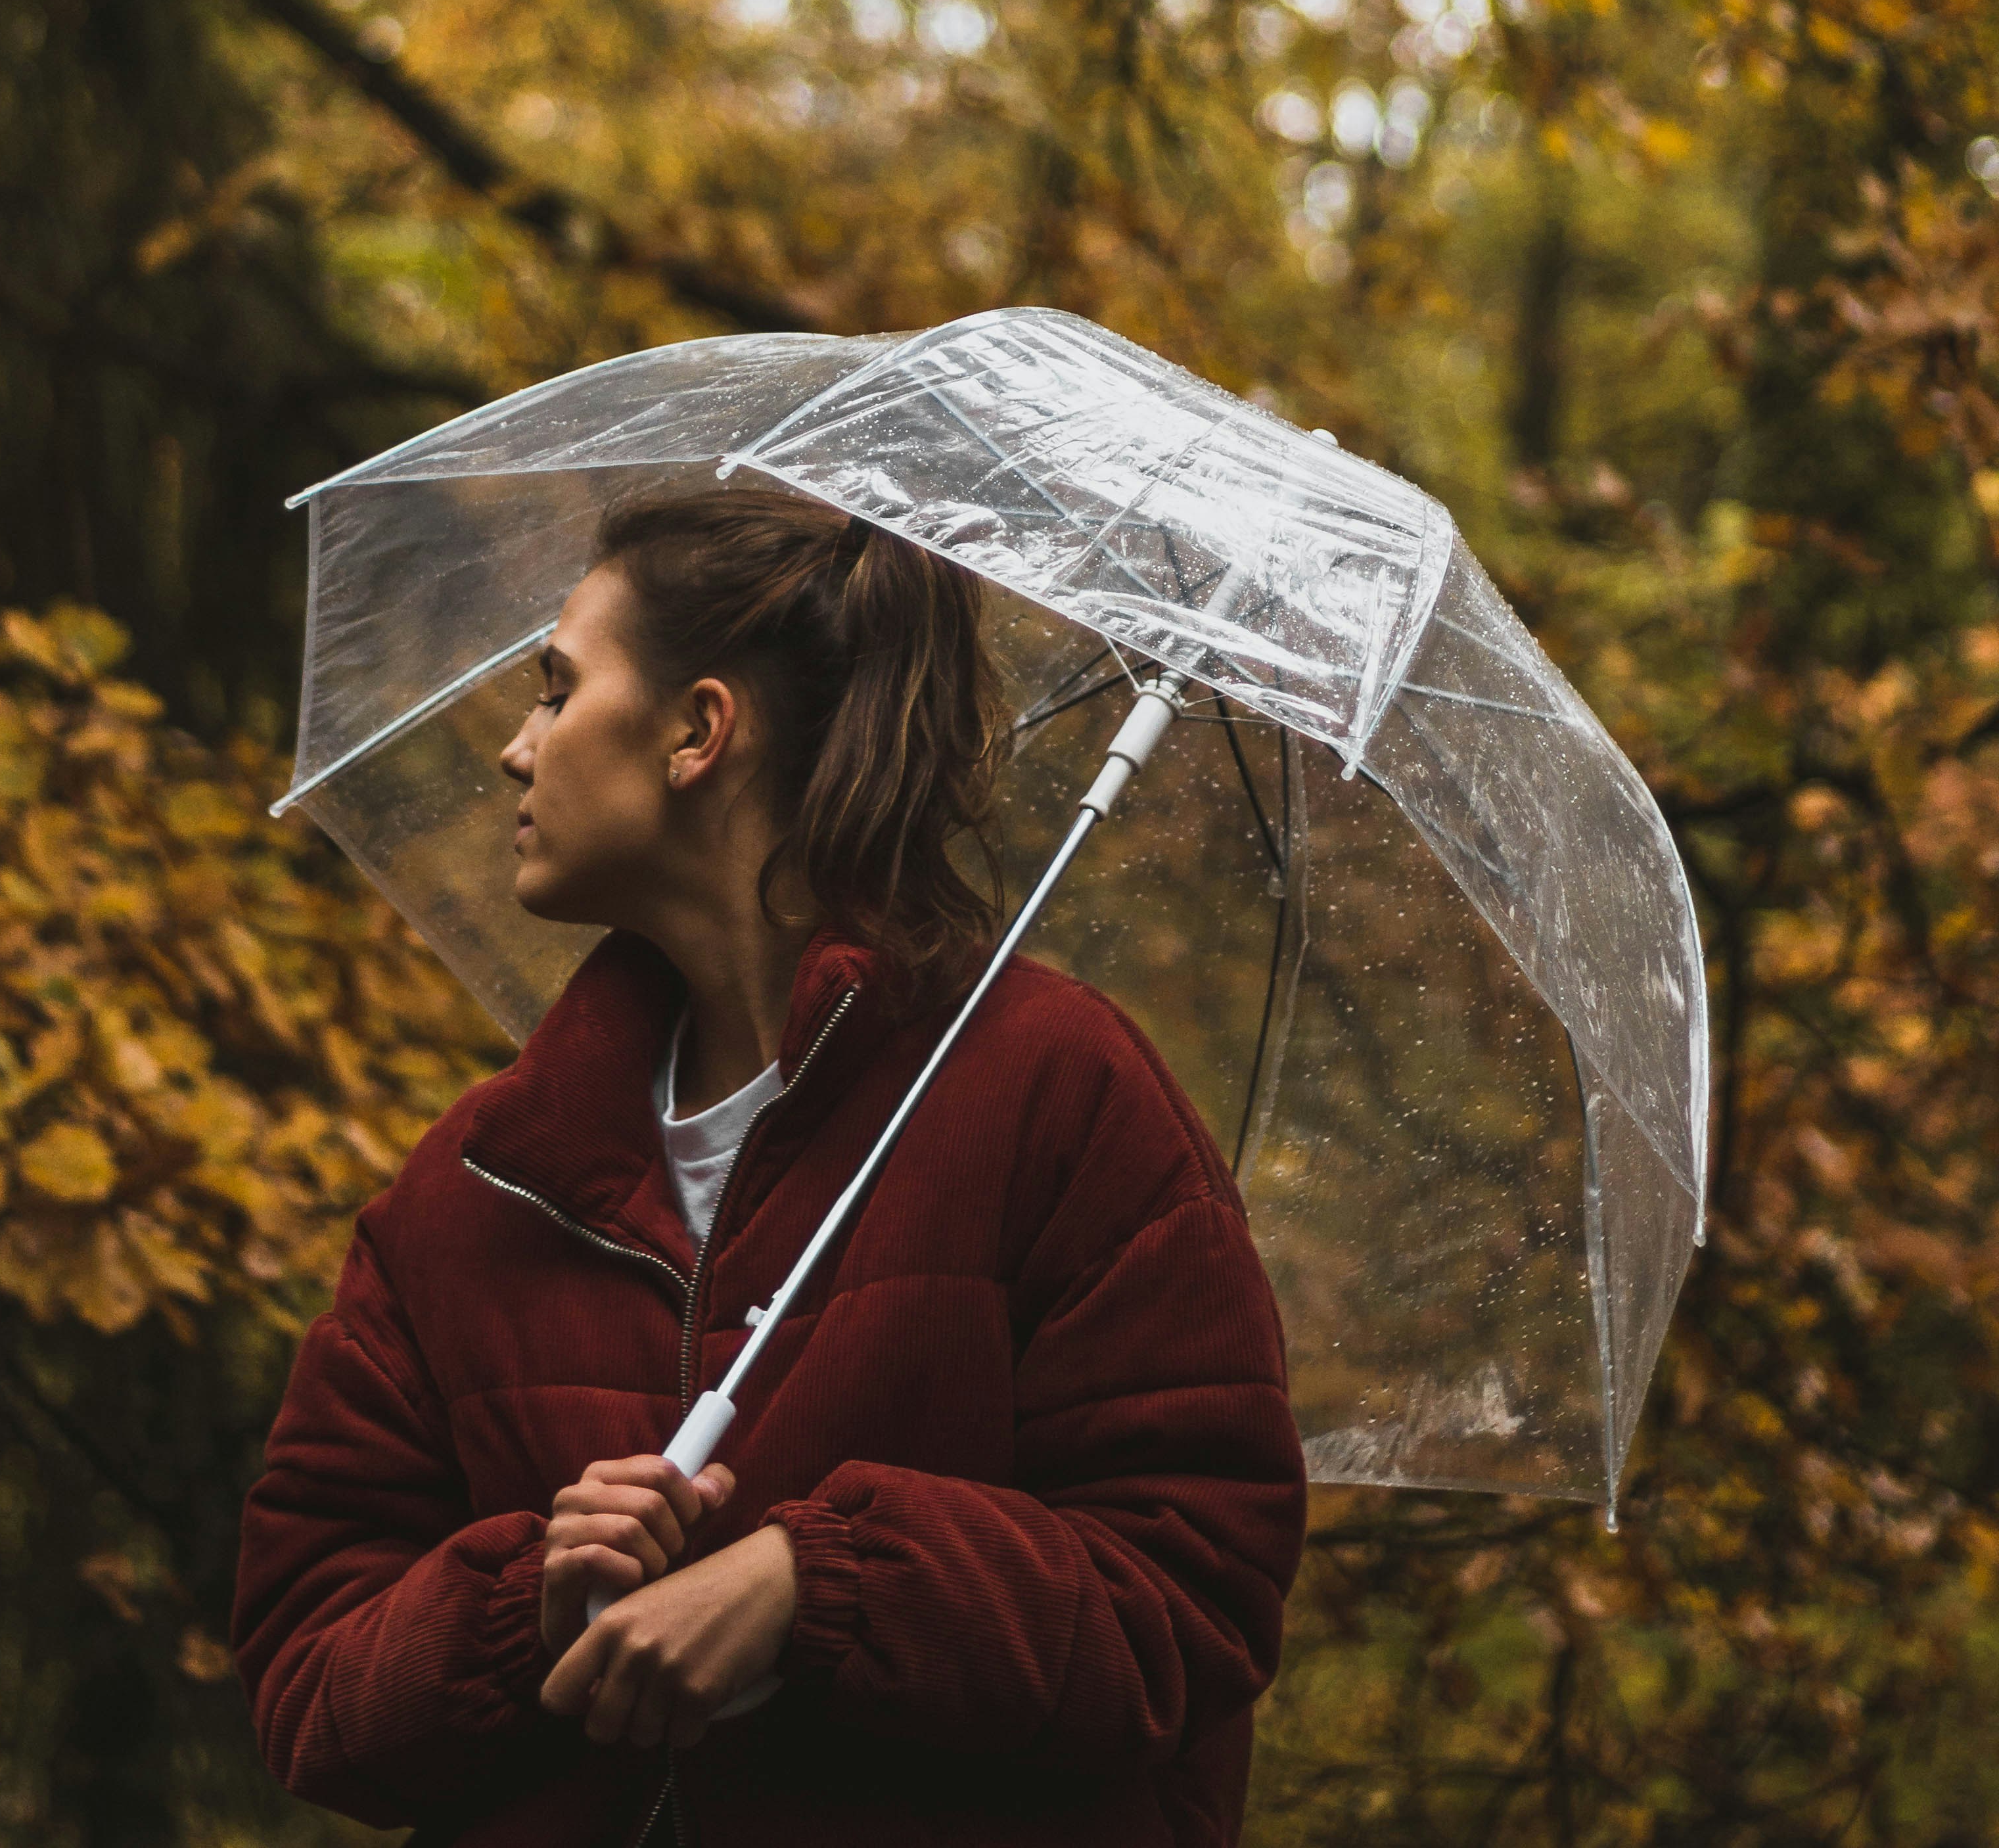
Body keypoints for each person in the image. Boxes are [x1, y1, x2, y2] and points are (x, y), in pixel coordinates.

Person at [234, 485, 1308, 1845]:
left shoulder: (1055, 1096)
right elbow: (308, 1684)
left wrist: (822, 1587)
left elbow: (1195, 1597)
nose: (516, 749)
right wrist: (527, 1605)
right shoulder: (478, 1185)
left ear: (697, 732)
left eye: (557, 691)